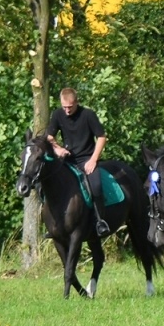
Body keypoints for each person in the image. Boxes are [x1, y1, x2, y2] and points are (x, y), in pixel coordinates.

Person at [45, 87, 111, 236]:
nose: (67, 110)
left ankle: (99, 222)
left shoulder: (88, 115)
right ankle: (53, 225)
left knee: (96, 186)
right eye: (64, 107)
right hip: (67, 160)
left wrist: (94, 160)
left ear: (77, 102)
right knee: (46, 183)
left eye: (70, 107)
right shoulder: (57, 115)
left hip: (87, 159)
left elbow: (101, 137)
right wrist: (58, 149)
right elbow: (49, 137)